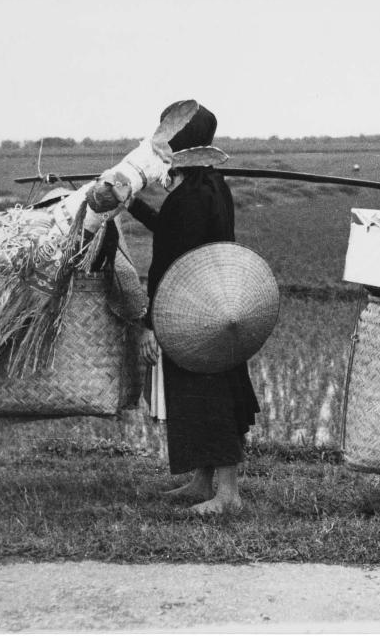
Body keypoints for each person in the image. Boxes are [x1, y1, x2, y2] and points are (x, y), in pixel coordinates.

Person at [127, 102, 260, 515]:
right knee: (197, 393)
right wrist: (129, 201)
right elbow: (170, 230)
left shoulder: (188, 197)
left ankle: (228, 495)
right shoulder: (210, 187)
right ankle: (204, 482)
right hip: (214, 304)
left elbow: (166, 260)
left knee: (210, 395)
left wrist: (150, 324)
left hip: (194, 310)